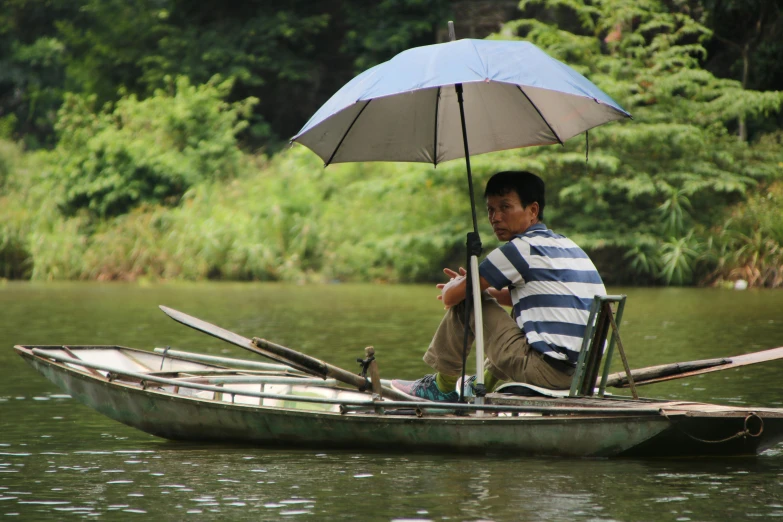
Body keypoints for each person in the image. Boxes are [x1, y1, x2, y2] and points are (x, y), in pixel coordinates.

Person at [391, 171, 606, 402]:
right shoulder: (567, 245)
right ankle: (481, 382)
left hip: (547, 373)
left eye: (505, 207)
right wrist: (479, 288)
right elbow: (537, 298)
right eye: (491, 210)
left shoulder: (520, 250)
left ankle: (441, 388)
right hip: (583, 375)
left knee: (468, 302)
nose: (496, 217)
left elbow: (451, 298)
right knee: (509, 306)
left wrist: (455, 288)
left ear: (532, 210)